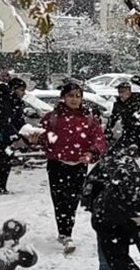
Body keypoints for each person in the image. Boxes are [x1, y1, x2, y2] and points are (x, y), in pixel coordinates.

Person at [37, 81, 107, 252]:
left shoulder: (89, 119)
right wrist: (35, 138)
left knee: (72, 199)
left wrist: (91, 153)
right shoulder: (52, 118)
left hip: (78, 165)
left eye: (78, 96)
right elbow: (43, 137)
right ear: (63, 97)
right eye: (71, 96)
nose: (75, 99)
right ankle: (63, 232)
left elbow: (98, 139)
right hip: (56, 164)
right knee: (59, 199)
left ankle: (67, 231)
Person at [106, 76, 140, 171]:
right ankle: (118, 172)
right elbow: (113, 118)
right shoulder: (118, 104)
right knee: (113, 153)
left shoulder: (138, 99)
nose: (121, 94)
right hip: (128, 133)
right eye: (119, 92)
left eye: (123, 92)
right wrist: (108, 130)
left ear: (129, 91)